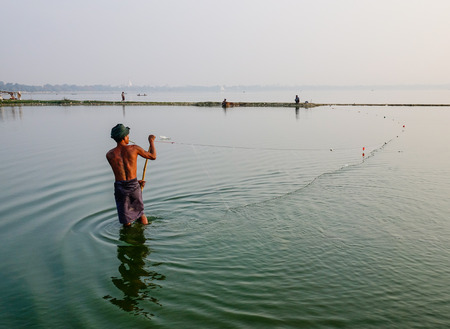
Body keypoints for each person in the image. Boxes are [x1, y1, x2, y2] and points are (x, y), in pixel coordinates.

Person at [106, 124, 157, 226]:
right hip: (133, 186)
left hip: (120, 188)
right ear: (124, 137)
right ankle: (144, 231)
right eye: (128, 135)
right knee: (140, 213)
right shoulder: (134, 148)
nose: (129, 137)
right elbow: (153, 156)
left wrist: (135, 182)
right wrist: (151, 141)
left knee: (125, 218)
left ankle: (128, 234)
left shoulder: (109, 154)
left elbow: (121, 173)